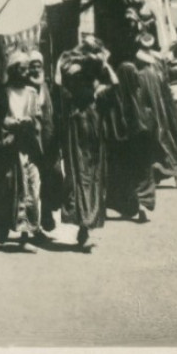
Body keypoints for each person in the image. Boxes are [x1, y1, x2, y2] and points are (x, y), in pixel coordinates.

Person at [58, 39, 118, 249]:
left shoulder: (93, 93)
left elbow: (114, 82)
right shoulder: (78, 92)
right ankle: (84, 225)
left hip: (90, 134)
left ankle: (85, 226)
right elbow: (62, 78)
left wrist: (102, 62)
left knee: (88, 178)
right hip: (80, 133)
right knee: (82, 178)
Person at [0, 50, 43, 249]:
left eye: (27, 68)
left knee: (30, 190)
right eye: (22, 68)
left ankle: (25, 235)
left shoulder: (33, 93)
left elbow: (39, 119)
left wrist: (32, 122)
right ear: (12, 70)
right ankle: (2, 227)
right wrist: (11, 123)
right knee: (7, 191)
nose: (26, 72)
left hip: (27, 148)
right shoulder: (2, 93)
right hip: (7, 150)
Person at [106, 61, 157, 222]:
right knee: (143, 174)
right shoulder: (140, 94)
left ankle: (116, 206)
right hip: (141, 142)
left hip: (119, 144)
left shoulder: (113, 95)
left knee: (119, 175)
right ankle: (142, 205)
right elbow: (150, 117)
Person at [134, 34, 177, 181]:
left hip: (148, 107)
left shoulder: (141, 74)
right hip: (163, 103)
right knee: (167, 128)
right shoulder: (159, 63)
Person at [26, 49, 62, 234]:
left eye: (38, 65)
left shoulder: (48, 86)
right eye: (32, 66)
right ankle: (33, 224)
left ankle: (47, 212)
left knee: (53, 176)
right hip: (31, 142)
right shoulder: (24, 87)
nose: (36, 69)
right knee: (32, 183)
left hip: (50, 140)